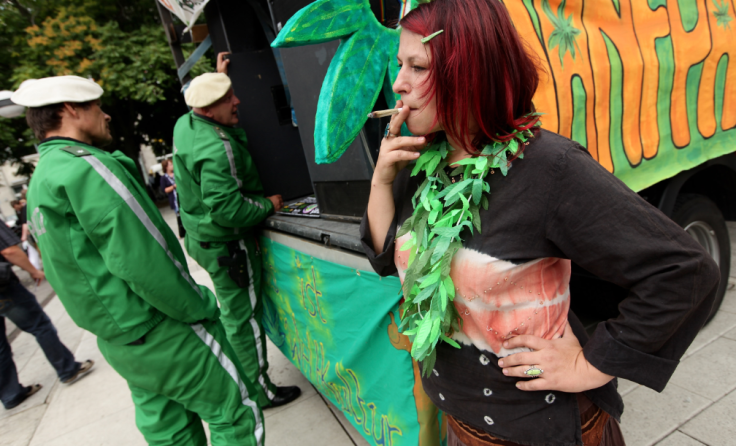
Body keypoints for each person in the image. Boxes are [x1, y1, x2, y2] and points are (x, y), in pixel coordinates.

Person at [361, 1, 720, 445]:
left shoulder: (549, 168)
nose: (399, 83)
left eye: (418, 67)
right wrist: (380, 181)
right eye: (400, 64)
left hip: (537, 431)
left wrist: (589, 365)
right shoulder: (421, 158)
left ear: (468, 72)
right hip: (458, 421)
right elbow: (385, 258)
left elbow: (684, 272)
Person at [12, 75, 264, 445]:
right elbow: (146, 259)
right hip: (161, 326)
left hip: (121, 339)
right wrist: (199, 306)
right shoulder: (86, 167)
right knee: (236, 415)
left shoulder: (43, 177)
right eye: (97, 106)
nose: (106, 115)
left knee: (169, 432)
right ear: (70, 111)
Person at [173, 55, 300, 410]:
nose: (238, 101)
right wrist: (268, 204)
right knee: (242, 317)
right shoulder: (218, 147)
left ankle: (247, 381)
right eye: (229, 98)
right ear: (209, 111)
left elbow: (199, 97)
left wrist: (218, 79)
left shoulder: (185, 124)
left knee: (234, 314)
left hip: (202, 238)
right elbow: (229, 210)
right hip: (228, 246)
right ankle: (260, 392)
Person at [0, 221, 93, 410]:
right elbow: (9, 251)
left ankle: (10, 394)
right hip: (4, 290)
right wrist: (34, 271)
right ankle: (67, 369)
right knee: (39, 326)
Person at [160, 159, 185, 238]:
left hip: (182, 197)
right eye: (170, 164)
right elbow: (165, 190)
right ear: (166, 167)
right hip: (174, 200)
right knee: (179, 216)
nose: (172, 165)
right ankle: (182, 233)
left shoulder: (176, 174)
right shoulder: (164, 178)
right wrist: (174, 186)